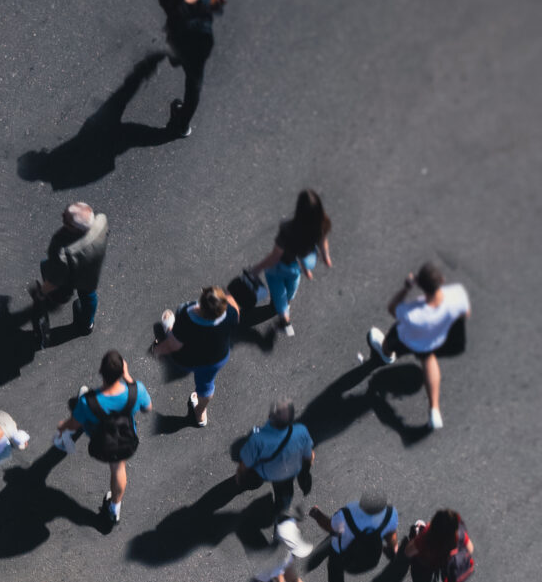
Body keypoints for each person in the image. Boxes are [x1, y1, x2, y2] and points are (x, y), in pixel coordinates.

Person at [362, 261, 472, 431]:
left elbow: (392, 309)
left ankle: (385, 355)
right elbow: (466, 313)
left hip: (407, 338)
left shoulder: (413, 312)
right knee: (428, 360)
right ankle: (434, 410)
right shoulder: (457, 294)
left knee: (389, 342)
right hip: (433, 341)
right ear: (442, 280)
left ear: (420, 286)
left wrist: (406, 288)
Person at [53, 351, 151, 528]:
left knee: (84, 413)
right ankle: (114, 508)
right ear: (122, 371)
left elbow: (73, 425)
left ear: (101, 371)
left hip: (102, 444)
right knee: (119, 468)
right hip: (125, 442)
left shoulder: (88, 401)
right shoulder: (137, 391)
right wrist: (129, 379)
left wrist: (62, 426)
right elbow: (148, 408)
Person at [244, 189, 333, 338]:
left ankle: (285, 319)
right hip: (297, 266)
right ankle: (290, 298)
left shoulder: (288, 228)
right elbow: (323, 242)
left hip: (280, 266)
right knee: (292, 286)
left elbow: (274, 257)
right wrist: (326, 257)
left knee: (278, 291)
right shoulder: (322, 224)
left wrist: (256, 269)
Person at [153, 0, 222, 135]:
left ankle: (174, 59)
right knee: (194, 87)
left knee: (175, 51)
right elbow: (219, 6)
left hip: (180, 44)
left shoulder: (173, 2)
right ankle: (182, 125)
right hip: (200, 49)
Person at [152, 283, 242, 425]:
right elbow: (236, 313)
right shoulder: (230, 313)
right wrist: (228, 295)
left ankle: (169, 327)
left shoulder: (186, 313)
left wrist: (159, 350)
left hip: (189, 359)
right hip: (215, 358)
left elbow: (174, 345)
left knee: (175, 334)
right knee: (206, 385)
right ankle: (200, 414)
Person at [29, 201, 107, 342]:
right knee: (88, 295)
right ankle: (87, 324)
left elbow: (55, 279)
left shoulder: (64, 253)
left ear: (76, 229)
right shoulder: (101, 222)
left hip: (73, 270)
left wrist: (41, 292)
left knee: (47, 269)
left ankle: (56, 299)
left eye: (66, 218)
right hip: (91, 268)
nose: (62, 216)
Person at [233, 400, 315, 526]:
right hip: (286, 473)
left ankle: (252, 485)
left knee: (253, 479)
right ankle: (281, 516)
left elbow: (246, 463)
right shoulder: (301, 432)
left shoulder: (258, 439)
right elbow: (309, 456)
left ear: (270, 417)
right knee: (284, 497)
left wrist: (240, 474)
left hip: (264, 471)